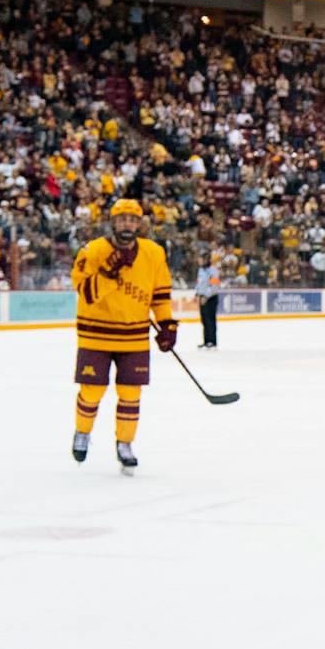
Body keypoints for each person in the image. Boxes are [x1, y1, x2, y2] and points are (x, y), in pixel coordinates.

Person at [69, 198, 176, 474]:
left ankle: (125, 443)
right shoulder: (93, 251)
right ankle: (82, 432)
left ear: (140, 223)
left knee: (131, 393)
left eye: (132, 219)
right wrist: (108, 272)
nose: (127, 223)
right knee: (92, 391)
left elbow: (160, 294)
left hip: (134, 336)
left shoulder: (154, 253)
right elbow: (87, 294)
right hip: (96, 334)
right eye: (122, 219)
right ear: (113, 222)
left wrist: (166, 326)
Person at [194, 257, 222, 349]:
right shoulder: (201, 270)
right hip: (203, 297)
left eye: (201, 259)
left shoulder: (214, 271)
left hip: (211, 298)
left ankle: (212, 341)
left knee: (211, 320)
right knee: (204, 320)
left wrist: (206, 296)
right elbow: (199, 283)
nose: (199, 260)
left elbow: (214, 286)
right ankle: (206, 341)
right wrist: (197, 293)